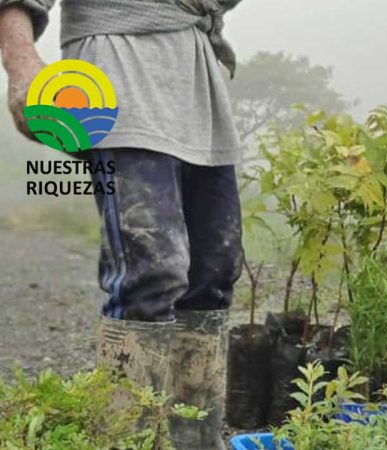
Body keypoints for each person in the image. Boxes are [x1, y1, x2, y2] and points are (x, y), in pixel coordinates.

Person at [0, 1, 246, 448]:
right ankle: (125, 439)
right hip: (116, 72)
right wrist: (21, 61)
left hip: (197, 78)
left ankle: (194, 439)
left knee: (215, 269)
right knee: (151, 271)